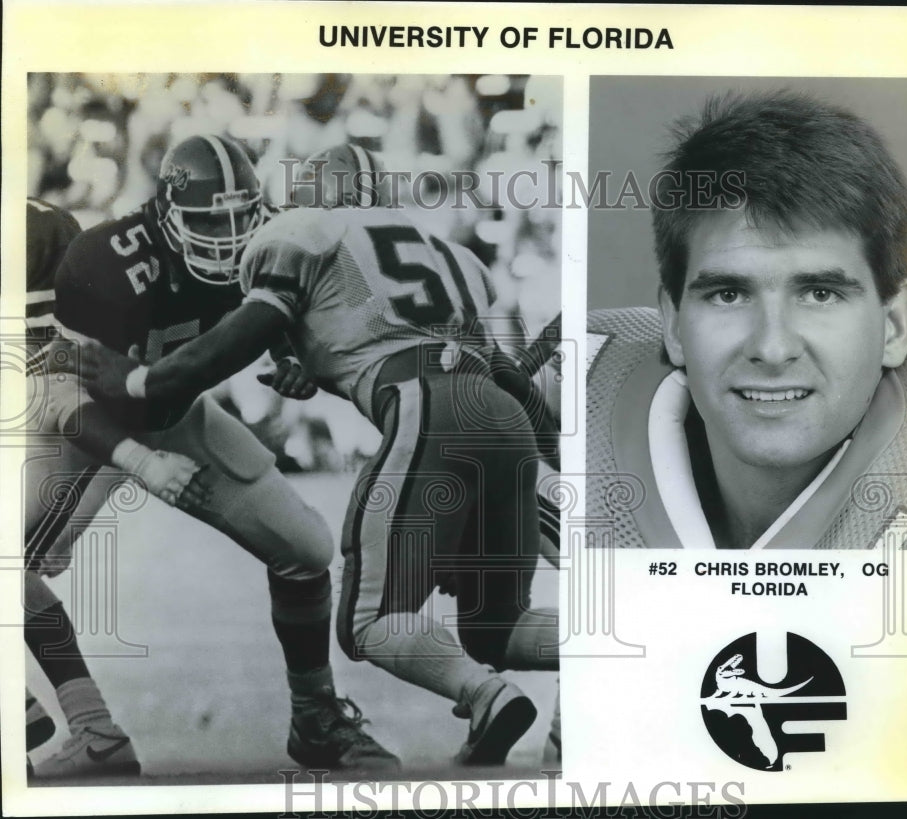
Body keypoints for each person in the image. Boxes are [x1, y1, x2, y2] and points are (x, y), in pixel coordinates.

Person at [76, 143, 560, 766]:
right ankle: (627, 646)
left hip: (428, 412)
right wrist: (553, 456)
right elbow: (508, 381)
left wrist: (140, 382)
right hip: (502, 420)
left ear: (310, 194)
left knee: (368, 619)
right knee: (497, 627)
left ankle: (485, 695)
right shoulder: (450, 251)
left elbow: (236, 339)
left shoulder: (299, 234)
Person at [32, 137, 398, 775]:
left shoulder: (271, 240)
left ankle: (315, 719)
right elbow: (61, 392)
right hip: (87, 424)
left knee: (307, 549)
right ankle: (91, 728)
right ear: (168, 212)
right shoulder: (102, 260)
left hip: (176, 418)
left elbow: (285, 318)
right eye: (207, 220)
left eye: (240, 216)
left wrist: (295, 362)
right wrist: (142, 464)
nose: (228, 238)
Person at [587, 91, 907, 550]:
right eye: (728, 295)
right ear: (672, 324)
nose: (771, 348)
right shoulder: (571, 388)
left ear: (895, 325)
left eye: (820, 294)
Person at [24, 197, 209, 778]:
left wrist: (73, 520)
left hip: (59, 427)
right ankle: (93, 729)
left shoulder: (40, 234)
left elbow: (82, 393)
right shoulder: (44, 225)